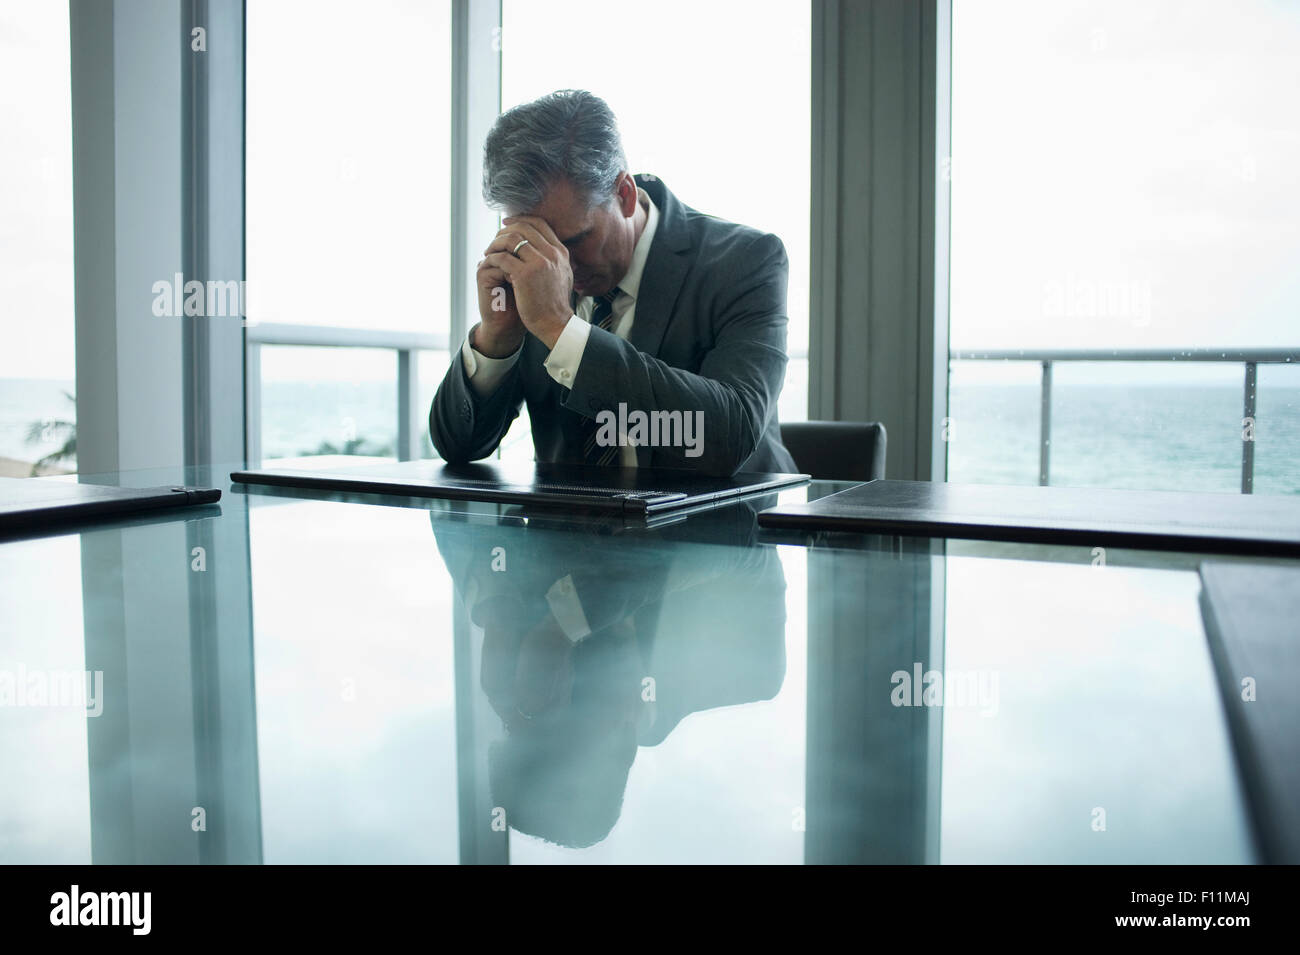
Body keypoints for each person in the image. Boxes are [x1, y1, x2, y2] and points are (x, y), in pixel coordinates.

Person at [428, 89, 797, 477]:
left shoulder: (745, 261)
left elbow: (728, 437)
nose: (559, 266)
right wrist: (496, 339)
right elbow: (458, 447)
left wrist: (561, 330)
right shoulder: (529, 273)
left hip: (719, 527)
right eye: (541, 242)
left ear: (624, 194)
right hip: (570, 533)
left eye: (573, 240)